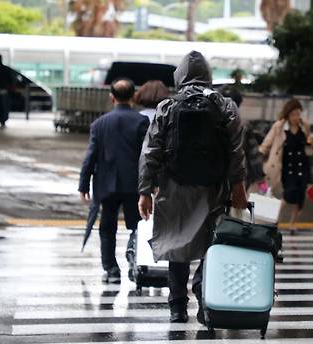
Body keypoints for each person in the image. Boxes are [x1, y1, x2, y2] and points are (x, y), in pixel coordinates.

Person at [137, 51, 248, 324]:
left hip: (174, 186)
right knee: (213, 243)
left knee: (178, 245)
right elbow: (236, 150)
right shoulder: (225, 105)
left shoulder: (167, 106)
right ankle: (203, 292)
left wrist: (144, 189)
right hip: (213, 187)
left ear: (180, 75)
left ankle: (177, 306)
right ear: (208, 75)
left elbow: (151, 151)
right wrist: (238, 185)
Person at [78, 78, 150, 284]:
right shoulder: (141, 122)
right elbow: (147, 155)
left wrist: (83, 184)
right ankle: (134, 263)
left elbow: (90, 156)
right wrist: (152, 182)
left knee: (107, 227)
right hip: (134, 184)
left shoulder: (99, 124)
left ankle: (111, 269)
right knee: (137, 225)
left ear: (111, 98)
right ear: (133, 97)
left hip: (106, 184)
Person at [260, 99, 313, 233]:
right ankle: (274, 220)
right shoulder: (279, 126)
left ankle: (292, 223)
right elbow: (267, 142)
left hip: (302, 166)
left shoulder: (305, 126)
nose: (296, 117)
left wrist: (310, 143)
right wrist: (259, 155)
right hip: (285, 166)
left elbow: (309, 148)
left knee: (300, 195)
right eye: (293, 114)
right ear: (288, 114)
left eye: (298, 114)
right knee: (289, 194)